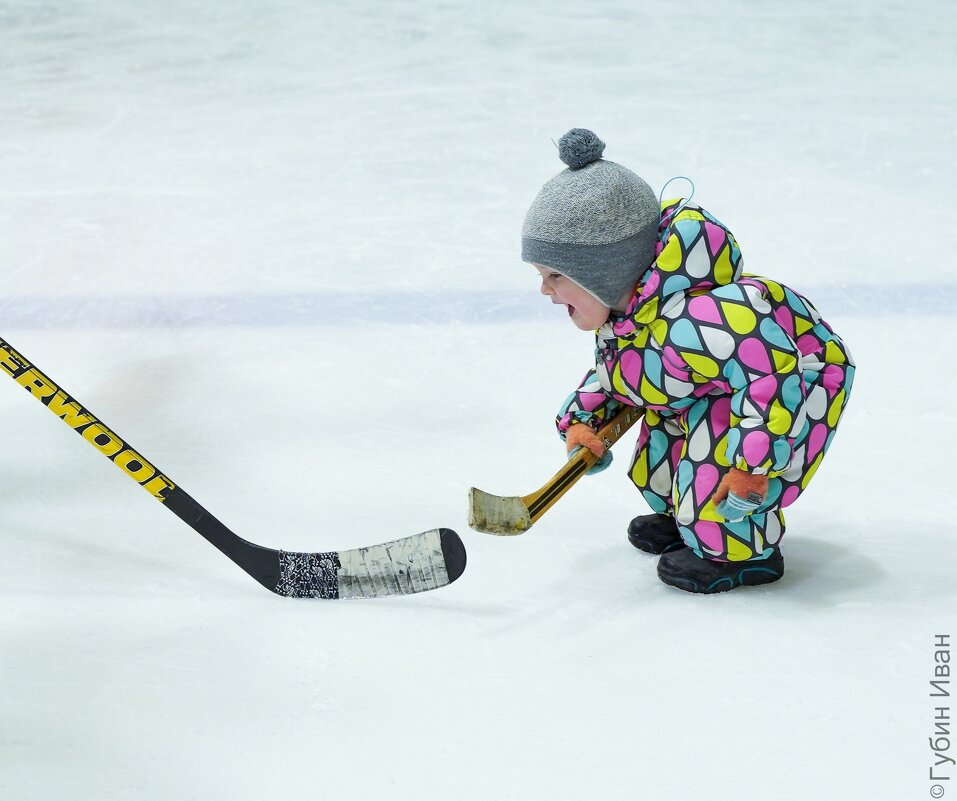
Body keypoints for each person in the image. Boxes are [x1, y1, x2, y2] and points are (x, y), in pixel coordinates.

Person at [521, 128, 855, 594]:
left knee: (718, 481)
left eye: (555, 275)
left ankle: (740, 553)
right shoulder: (629, 317)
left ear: (605, 270)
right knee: (657, 460)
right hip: (723, 387)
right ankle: (687, 519)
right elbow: (626, 374)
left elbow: (773, 381)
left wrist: (751, 465)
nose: (545, 291)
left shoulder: (704, 318)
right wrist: (583, 421)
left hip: (798, 380)